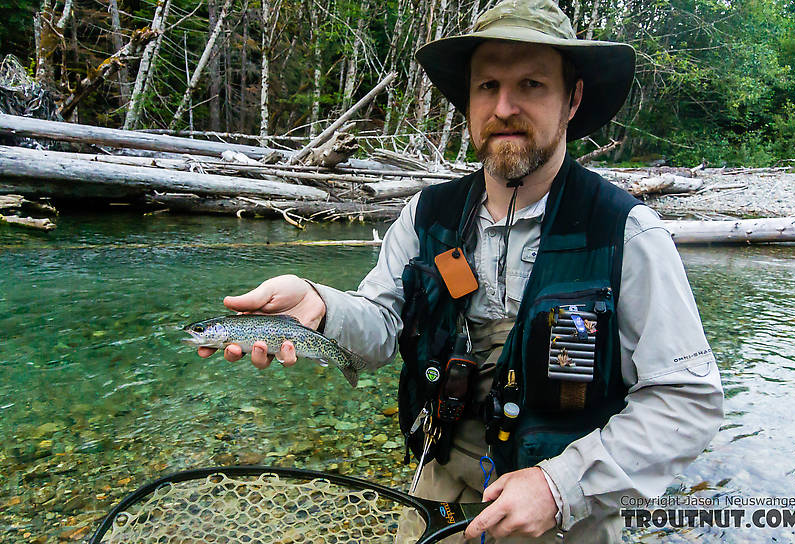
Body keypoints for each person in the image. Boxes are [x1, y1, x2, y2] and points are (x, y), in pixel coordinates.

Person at [196, 0, 724, 541]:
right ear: (468, 101)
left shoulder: (628, 233)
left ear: (573, 99)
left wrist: (559, 485)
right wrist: (322, 305)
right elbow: (381, 330)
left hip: (568, 513)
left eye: (532, 85)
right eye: (487, 86)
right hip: (438, 487)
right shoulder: (427, 216)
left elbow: (687, 399)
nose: (504, 107)